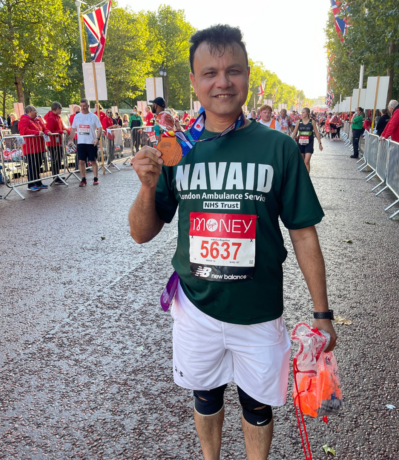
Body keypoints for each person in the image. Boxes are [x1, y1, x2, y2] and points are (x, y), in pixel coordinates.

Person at [129, 24, 336, 460]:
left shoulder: (278, 148)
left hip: (258, 309)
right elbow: (141, 233)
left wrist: (322, 313)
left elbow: (302, 233)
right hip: (196, 306)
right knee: (205, 396)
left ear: (246, 75)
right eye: (210, 73)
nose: (222, 82)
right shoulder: (176, 149)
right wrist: (147, 188)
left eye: (233, 71)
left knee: (257, 404)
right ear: (194, 82)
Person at [67, 98, 103, 187]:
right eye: (81, 106)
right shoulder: (77, 116)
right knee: (81, 161)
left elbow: (100, 128)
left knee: (93, 161)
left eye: (84, 106)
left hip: (91, 142)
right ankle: (83, 179)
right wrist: (70, 139)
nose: (83, 108)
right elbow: (73, 129)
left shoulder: (93, 116)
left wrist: (97, 139)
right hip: (81, 142)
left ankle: (95, 178)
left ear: (88, 106)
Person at [18, 105, 51, 192]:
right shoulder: (24, 120)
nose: (36, 112)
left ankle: (38, 182)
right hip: (30, 147)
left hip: (39, 147)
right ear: (29, 111)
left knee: (38, 164)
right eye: (34, 110)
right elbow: (24, 131)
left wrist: (47, 132)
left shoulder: (37, 120)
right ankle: (31, 184)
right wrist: (36, 132)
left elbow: (44, 128)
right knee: (32, 166)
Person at [44, 102, 70, 185]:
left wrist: (67, 130)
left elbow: (59, 127)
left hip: (57, 142)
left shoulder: (56, 117)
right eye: (60, 108)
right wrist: (62, 131)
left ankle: (57, 175)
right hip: (53, 142)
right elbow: (50, 130)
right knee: (55, 160)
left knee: (58, 159)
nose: (61, 110)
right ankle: (55, 177)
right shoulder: (51, 118)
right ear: (57, 108)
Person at [291, 107, 323, 173]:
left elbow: (316, 132)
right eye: (301, 112)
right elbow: (294, 132)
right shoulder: (299, 122)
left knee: (306, 161)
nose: (301, 114)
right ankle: (303, 176)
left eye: (303, 112)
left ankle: (307, 178)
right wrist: (290, 140)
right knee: (302, 162)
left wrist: (320, 143)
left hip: (309, 144)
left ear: (308, 113)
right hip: (300, 144)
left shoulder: (312, 122)